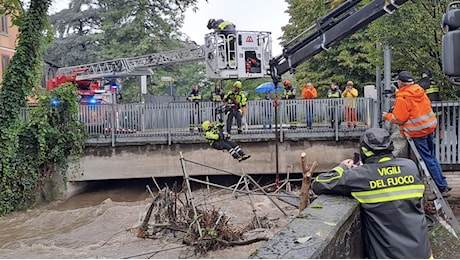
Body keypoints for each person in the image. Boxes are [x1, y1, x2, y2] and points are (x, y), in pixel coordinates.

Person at [311, 127, 432, 259]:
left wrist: (343, 167)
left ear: (364, 151)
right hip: (423, 254)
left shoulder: (360, 176)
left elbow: (319, 184)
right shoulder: (410, 167)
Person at [383, 70, 451, 197]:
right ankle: (443, 183)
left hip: (417, 132)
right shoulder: (419, 91)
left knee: (427, 159)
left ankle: (441, 188)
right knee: (432, 157)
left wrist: (387, 115)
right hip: (429, 128)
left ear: (400, 83)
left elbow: (399, 119)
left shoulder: (402, 98)